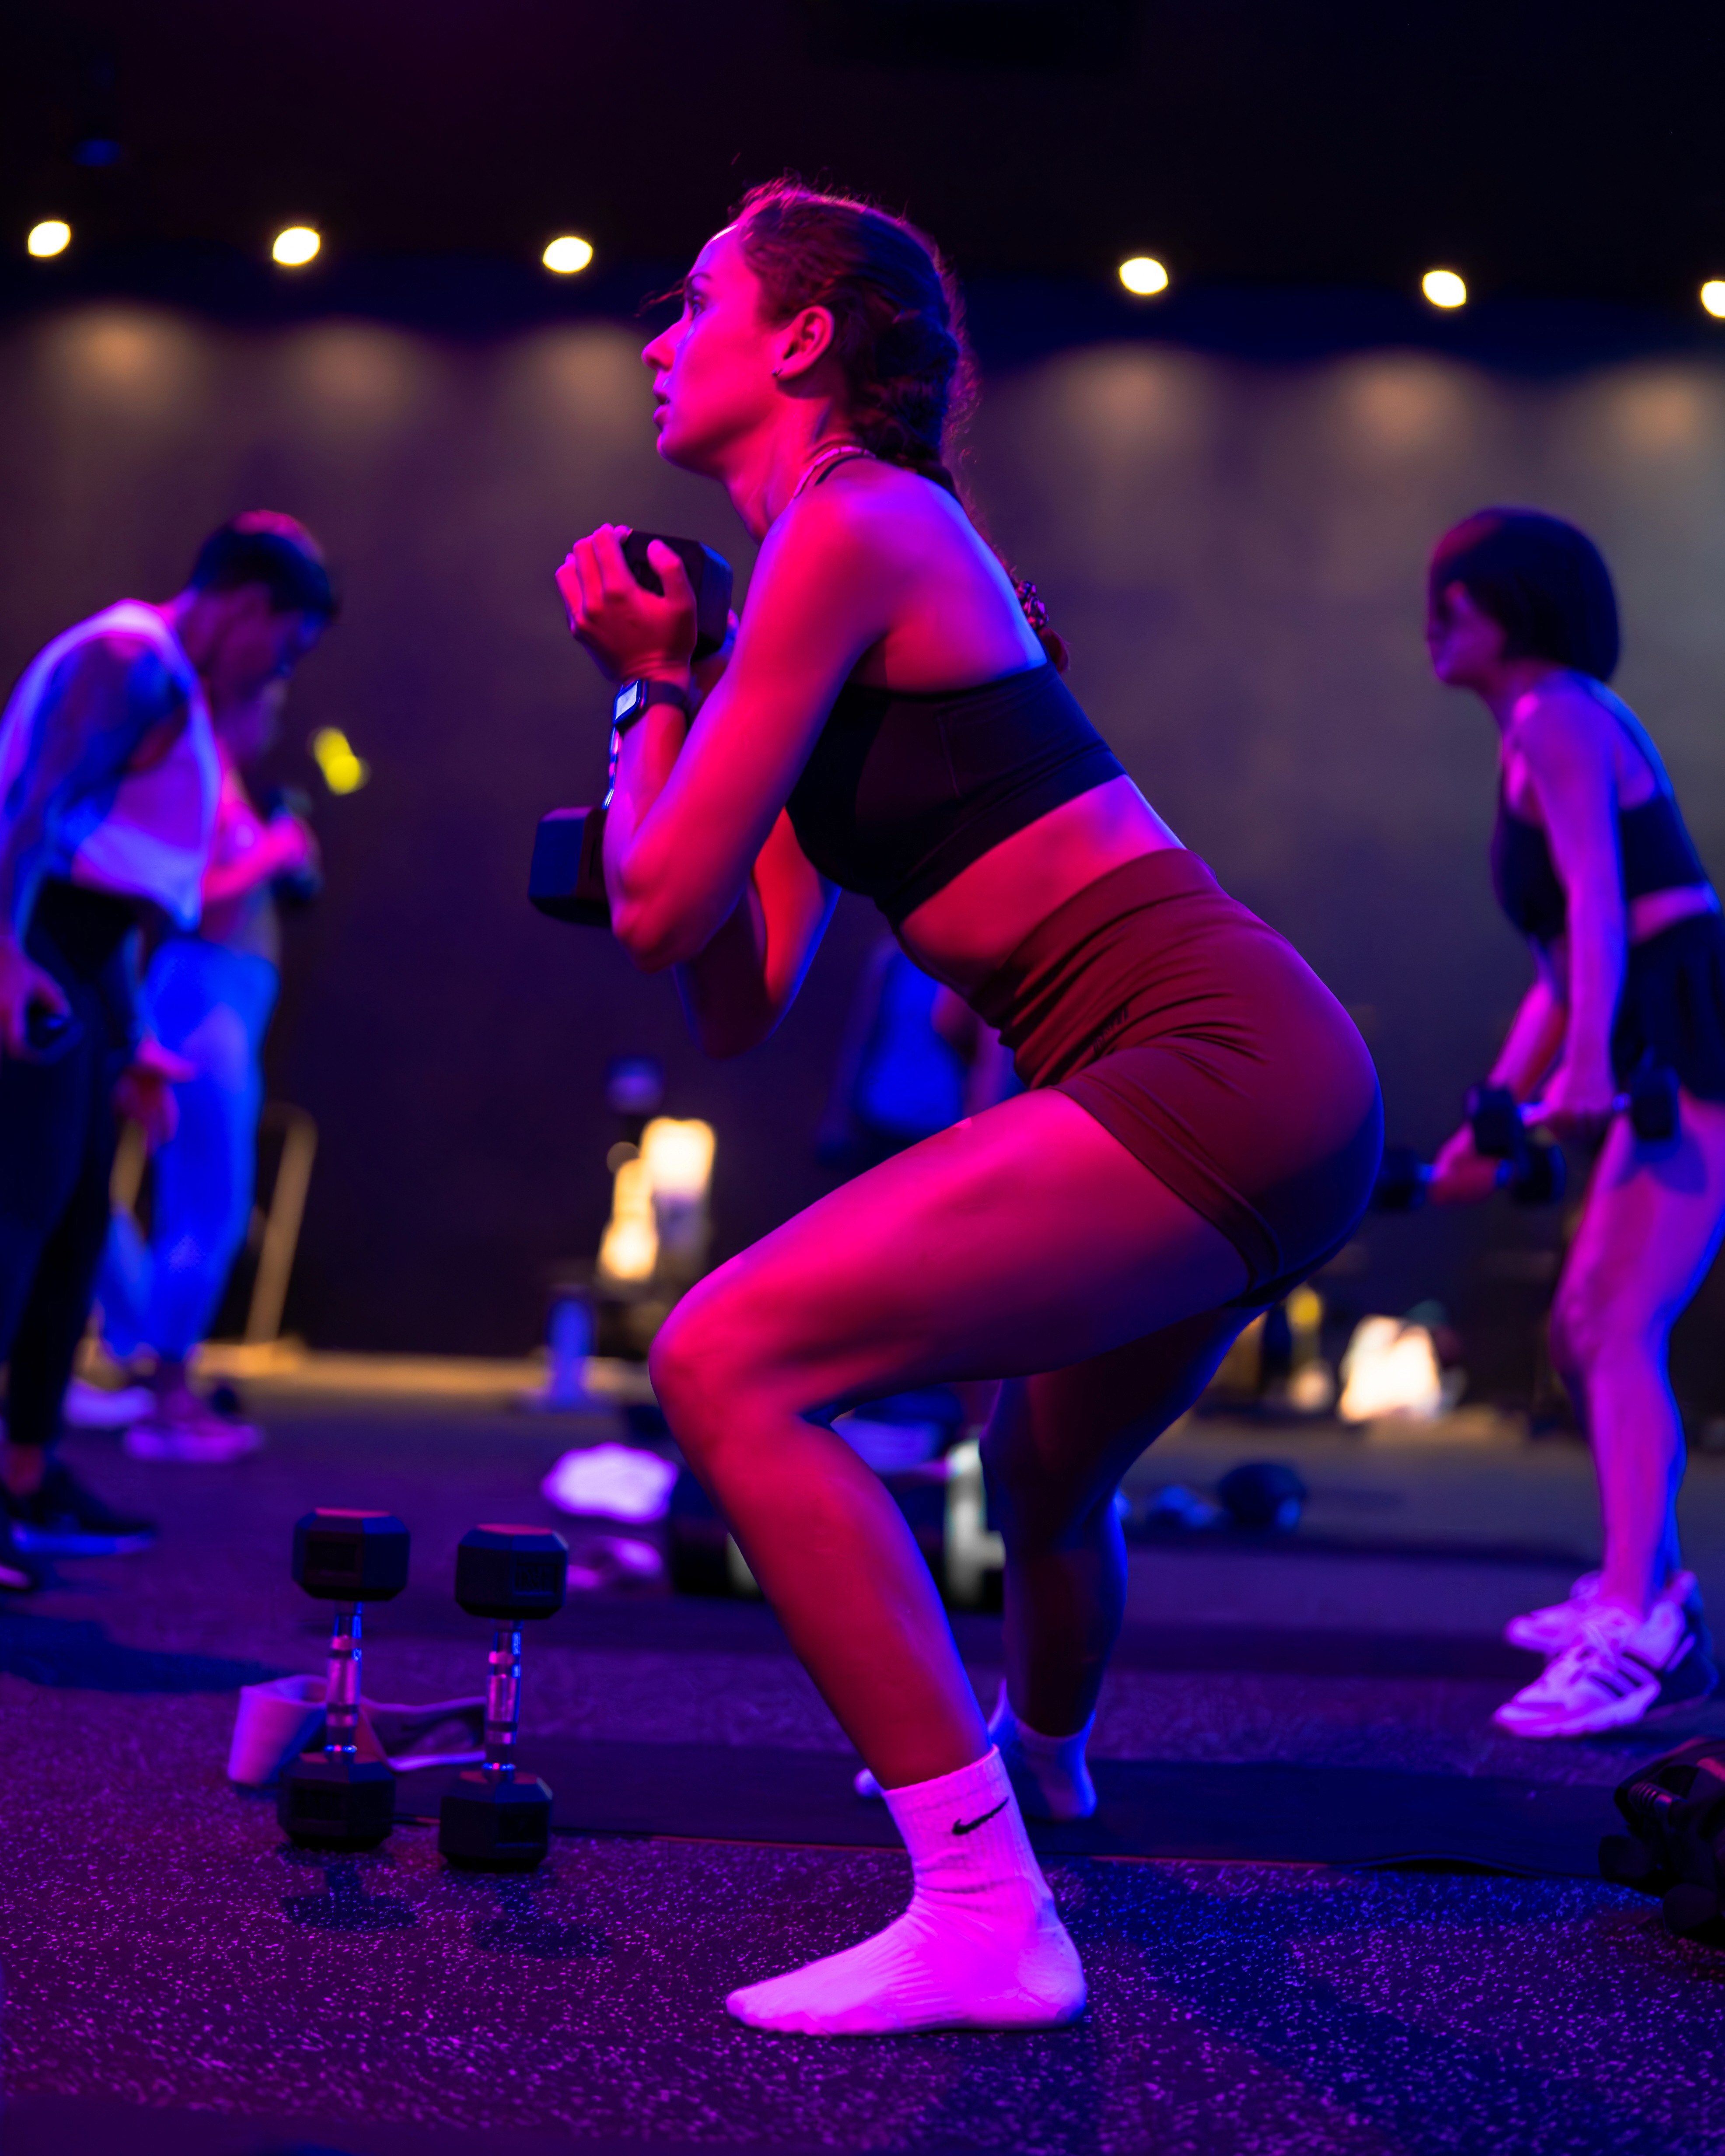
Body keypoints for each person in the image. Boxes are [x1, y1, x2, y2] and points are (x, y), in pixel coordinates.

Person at [554, 182, 1380, 2036]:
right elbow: (727, 989)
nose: (652, 338)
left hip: (1209, 1057)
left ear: (799, 341)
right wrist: (670, 702)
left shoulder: (864, 523)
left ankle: (984, 1902)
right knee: (1040, 1468)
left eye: (690, 303)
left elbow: (653, 893)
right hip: (1245, 1092)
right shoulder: (819, 595)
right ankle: (1049, 1762)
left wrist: (648, 690)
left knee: (727, 1359)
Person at [1424, 509, 1725, 1738]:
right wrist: (1485, 1125)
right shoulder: (1534, 735)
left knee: (1617, 1319)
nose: (1435, 615)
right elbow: (1559, 967)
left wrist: (1599, 1060)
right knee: (1591, 1317)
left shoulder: (1558, 714)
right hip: (1645, 1012)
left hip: (1685, 1020)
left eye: (1460, 595)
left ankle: (1642, 1617)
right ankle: (1635, 1590)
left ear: (1522, 608)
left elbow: (1606, 914)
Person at [0, 513, 332, 1580]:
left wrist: (130, 1029)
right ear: (244, 606)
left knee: (68, 1234)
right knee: (19, 1223)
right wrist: (6, 954)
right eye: (283, 644)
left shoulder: (172, 685)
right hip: (40, 937)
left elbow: (119, 866)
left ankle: (25, 1474)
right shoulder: (128, 658)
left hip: (89, 959)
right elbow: (30, 808)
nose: (278, 671)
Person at [95, 674, 319, 1460]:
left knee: (188, 1201)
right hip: (202, 999)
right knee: (209, 1205)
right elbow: (192, 901)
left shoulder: (220, 782)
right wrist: (273, 853)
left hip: (220, 999)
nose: (277, 718)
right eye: (272, 700)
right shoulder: (199, 776)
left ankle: (144, 1364)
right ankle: (163, 1395)